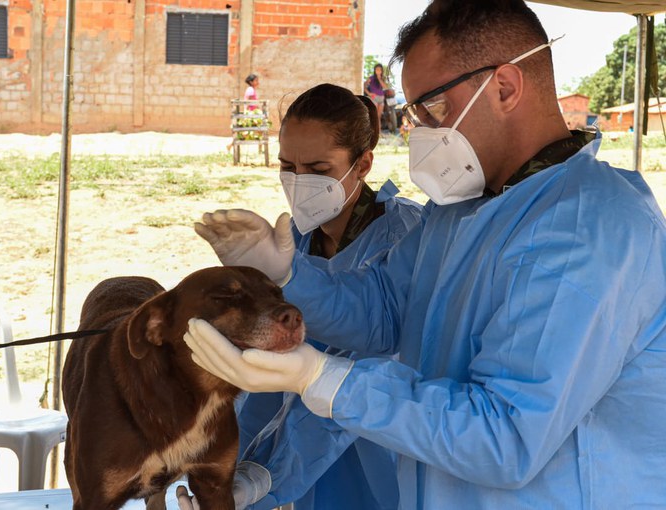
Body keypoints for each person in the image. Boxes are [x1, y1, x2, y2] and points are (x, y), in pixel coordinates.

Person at [185, 0, 666, 508]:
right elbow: (384, 311)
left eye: (432, 108)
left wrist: (325, 380)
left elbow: (506, 435)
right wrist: (284, 273)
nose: (420, 132)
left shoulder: (589, 227)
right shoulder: (460, 211)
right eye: (413, 112)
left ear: (504, 87)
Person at [232, 83, 421, 510]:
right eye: (287, 166)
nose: (299, 183)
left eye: (318, 168)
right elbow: (267, 369)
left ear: (363, 164)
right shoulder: (294, 243)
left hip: (374, 439)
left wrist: (271, 469)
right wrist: (239, 461)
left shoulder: (404, 238)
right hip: (298, 451)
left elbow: (361, 368)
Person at [364, 64, 388, 132]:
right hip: (374, 97)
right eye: (377, 69)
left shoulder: (382, 78)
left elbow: (385, 87)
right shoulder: (371, 78)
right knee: (374, 115)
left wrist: (379, 78)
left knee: (378, 117)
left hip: (381, 98)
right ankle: (373, 131)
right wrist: (369, 93)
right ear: (374, 70)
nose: (378, 71)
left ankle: (378, 132)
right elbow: (364, 86)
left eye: (380, 70)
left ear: (382, 71)